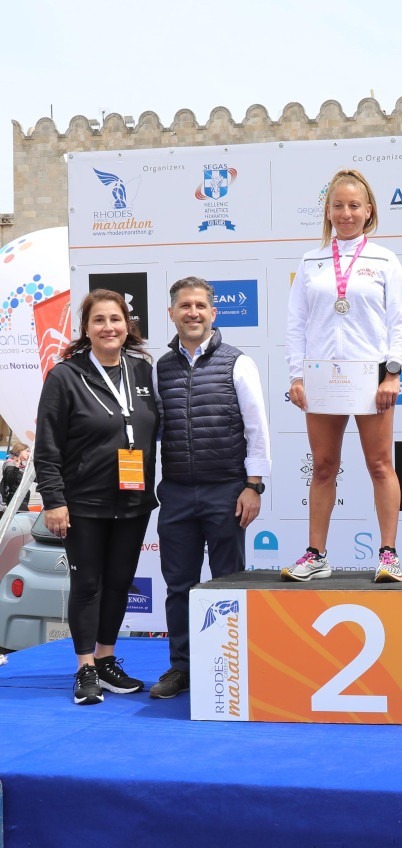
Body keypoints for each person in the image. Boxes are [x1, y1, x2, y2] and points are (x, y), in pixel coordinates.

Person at [284, 168, 402, 583]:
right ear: (327, 211)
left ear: (368, 210)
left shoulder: (384, 259)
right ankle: (316, 554)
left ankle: (388, 555)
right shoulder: (311, 261)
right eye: (338, 205)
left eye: (354, 205)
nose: (346, 213)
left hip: (371, 377)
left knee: (380, 464)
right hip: (321, 376)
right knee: (323, 466)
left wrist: (392, 374)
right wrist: (297, 376)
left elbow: (400, 322)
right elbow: (296, 324)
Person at [34, 289, 159, 705]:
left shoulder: (142, 372)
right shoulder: (65, 376)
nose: (109, 327)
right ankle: (85, 667)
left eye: (115, 319)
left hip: (133, 500)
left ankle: (106, 660)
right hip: (83, 502)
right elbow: (47, 446)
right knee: (88, 584)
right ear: (86, 329)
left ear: (127, 325)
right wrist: (54, 500)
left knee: (120, 583)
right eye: (99, 320)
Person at [150, 277, 271, 699]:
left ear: (213, 313)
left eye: (200, 305)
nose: (193, 313)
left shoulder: (238, 362)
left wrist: (253, 486)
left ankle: (230, 664)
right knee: (178, 587)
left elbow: (257, 428)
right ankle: (182, 668)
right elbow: (153, 430)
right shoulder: (160, 368)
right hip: (177, 492)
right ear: (172, 313)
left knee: (227, 584)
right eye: (185, 306)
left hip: (227, 491)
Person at [2, 441, 29, 506]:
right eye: (27, 451)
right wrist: (16, 467)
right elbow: (10, 481)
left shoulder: (22, 466)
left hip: (22, 498)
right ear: (19, 452)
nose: (29, 453)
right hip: (14, 499)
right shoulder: (10, 464)